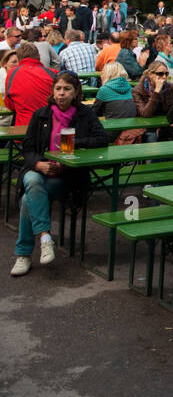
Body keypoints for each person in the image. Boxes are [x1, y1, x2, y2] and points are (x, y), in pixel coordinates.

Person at [10, 71, 110, 277]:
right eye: (58, 89)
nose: (61, 94)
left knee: (29, 199)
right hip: (40, 171)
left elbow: (102, 139)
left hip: (67, 177)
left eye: (67, 89)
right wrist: (40, 165)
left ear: (75, 92)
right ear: (52, 91)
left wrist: (75, 144)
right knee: (31, 179)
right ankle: (45, 238)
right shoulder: (41, 115)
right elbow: (27, 149)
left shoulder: (84, 114)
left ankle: (24, 254)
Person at [4, 42, 55, 126]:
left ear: (19, 59)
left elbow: (10, 105)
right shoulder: (52, 73)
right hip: (51, 125)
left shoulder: (12, 74)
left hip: (25, 127)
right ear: (39, 56)